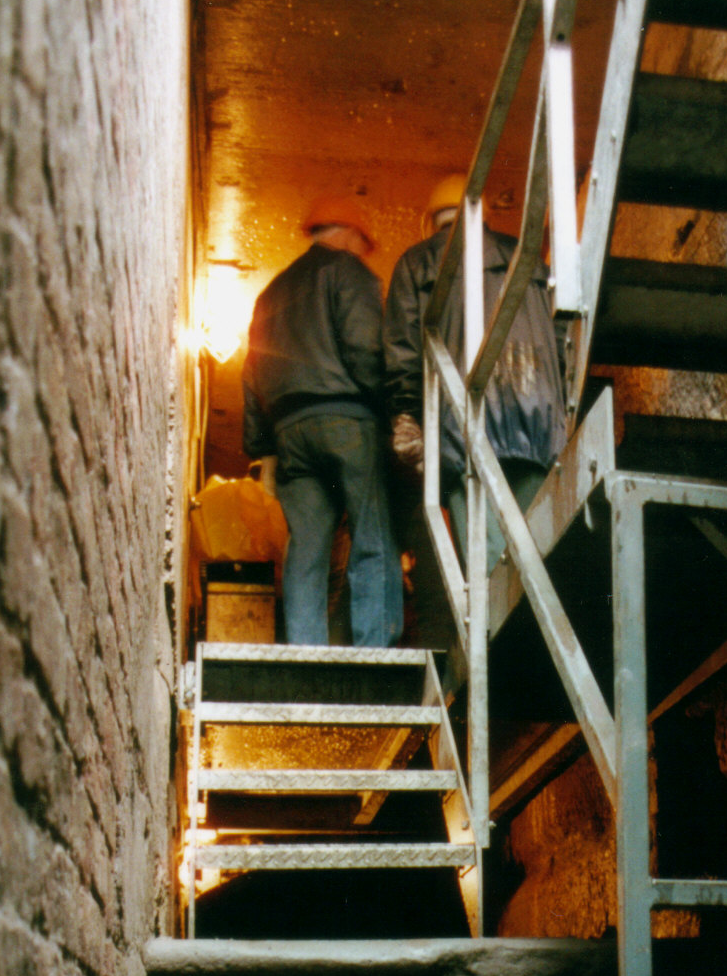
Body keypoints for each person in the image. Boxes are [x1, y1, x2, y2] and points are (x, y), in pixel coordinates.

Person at [383, 174, 566, 574]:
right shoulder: (527, 257)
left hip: (465, 425)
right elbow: (562, 336)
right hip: (538, 421)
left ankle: (495, 636)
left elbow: (403, 351)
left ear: (432, 220)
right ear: (483, 213)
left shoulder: (418, 262)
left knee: (488, 572)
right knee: (537, 557)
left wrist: (407, 416)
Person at [242, 194, 403, 646]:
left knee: (307, 549)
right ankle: (376, 649)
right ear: (351, 233)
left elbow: (251, 372)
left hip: (290, 432)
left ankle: (303, 652)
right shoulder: (350, 273)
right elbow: (366, 348)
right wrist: (393, 414)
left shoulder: (270, 292)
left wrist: (262, 445)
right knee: (373, 535)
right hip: (348, 421)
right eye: (364, 241)